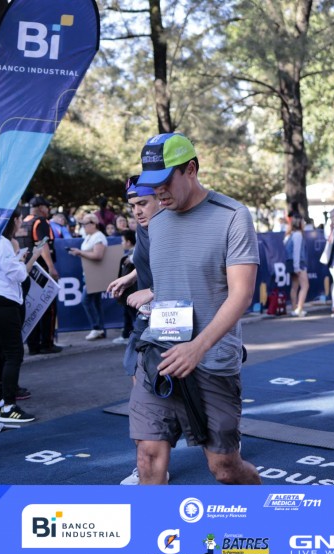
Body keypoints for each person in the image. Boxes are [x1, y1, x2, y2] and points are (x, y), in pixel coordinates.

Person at [129, 132, 261, 485]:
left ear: (190, 169)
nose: (158, 192)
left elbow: (241, 294)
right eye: (152, 184)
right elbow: (170, 280)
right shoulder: (156, 222)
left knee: (224, 468)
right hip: (159, 354)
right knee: (148, 456)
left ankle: (262, 509)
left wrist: (197, 347)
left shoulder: (233, 215)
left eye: (165, 181)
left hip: (212, 360)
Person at [107, 176, 167, 485]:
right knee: (142, 396)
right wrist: (130, 278)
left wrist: (153, 291)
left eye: (143, 203)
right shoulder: (143, 229)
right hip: (146, 323)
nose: (137, 212)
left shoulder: (172, 226)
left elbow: (190, 273)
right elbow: (145, 261)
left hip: (177, 322)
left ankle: (224, 438)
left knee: (190, 394)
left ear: (160, 199)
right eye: (132, 206)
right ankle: (150, 465)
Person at [0, 209, 43, 424]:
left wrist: (18, 259)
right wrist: (24, 259)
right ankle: (8, 407)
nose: (21, 223)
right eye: (19, 219)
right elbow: (19, 275)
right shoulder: (3, 243)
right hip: (3, 302)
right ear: (13, 220)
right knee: (13, 354)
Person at [19, 196, 62, 355]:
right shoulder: (40, 222)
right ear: (41, 207)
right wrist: (51, 267)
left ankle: (33, 345)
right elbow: (43, 245)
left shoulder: (22, 222)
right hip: (42, 271)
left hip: (27, 270)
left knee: (32, 307)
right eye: (47, 207)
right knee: (48, 306)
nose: (48, 210)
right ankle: (47, 344)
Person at [68, 213, 108, 340]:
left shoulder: (98, 236)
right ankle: (100, 329)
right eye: (82, 224)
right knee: (96, 302)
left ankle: (96, 328)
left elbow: (98, 255)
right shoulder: (90, 236)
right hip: (90, 274)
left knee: (86, 300)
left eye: (85, 224)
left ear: (94, 224)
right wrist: (79, 253)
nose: (83, 227)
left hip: (95, 275)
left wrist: (80, 252)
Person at [113, 229, 137, 346]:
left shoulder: (135, 255)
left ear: (128, 242)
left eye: (122, 241)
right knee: (127, 314)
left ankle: (137, 338)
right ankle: (127, 335)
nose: (121, 243)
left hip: (132, 293)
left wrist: (132, 259)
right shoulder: (129, 255)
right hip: (128, 294)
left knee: (135, 316)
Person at [284, 215, 309, 317]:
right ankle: (299, 308)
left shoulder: (289, 235)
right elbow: (296, 252)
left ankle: (295, 308)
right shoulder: (298, 235)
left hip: (290, 262)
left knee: (294, 286)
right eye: (303, 222)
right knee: (305, 286)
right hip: (298, 263)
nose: (304, 224)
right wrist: (297, 267)